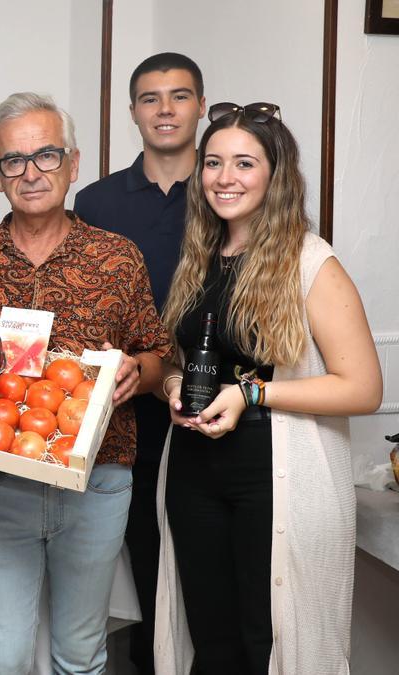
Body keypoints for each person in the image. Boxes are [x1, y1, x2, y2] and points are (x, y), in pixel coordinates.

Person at [0, 92, 172, 674]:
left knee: (80, 655)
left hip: (98, 481)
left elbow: (158, 352)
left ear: (74, 164)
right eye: (14, 160)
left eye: (47, 156)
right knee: (2, 656)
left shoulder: (117, 258)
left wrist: (141, 371)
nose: (31, 173)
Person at [154, 103, 382, 674]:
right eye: (212, 163)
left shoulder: (310, 263)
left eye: (244, 163)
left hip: (273, 475)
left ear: (276, 176)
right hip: (193, 471)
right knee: (212, 642)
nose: (224, 178)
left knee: (269, 640)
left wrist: (253, 395)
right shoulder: (200, 257)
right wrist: (174, 385)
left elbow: (364, 388)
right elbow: (179, 362)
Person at [73, 51, 205, 674]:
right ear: (132, 112)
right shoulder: (96, 200)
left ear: (200, 105)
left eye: (179, 96)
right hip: (122, 412)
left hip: (208, 403)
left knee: (206, 570)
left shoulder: (226, 186)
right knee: (135, 569)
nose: (166, 109)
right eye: (151, 98)